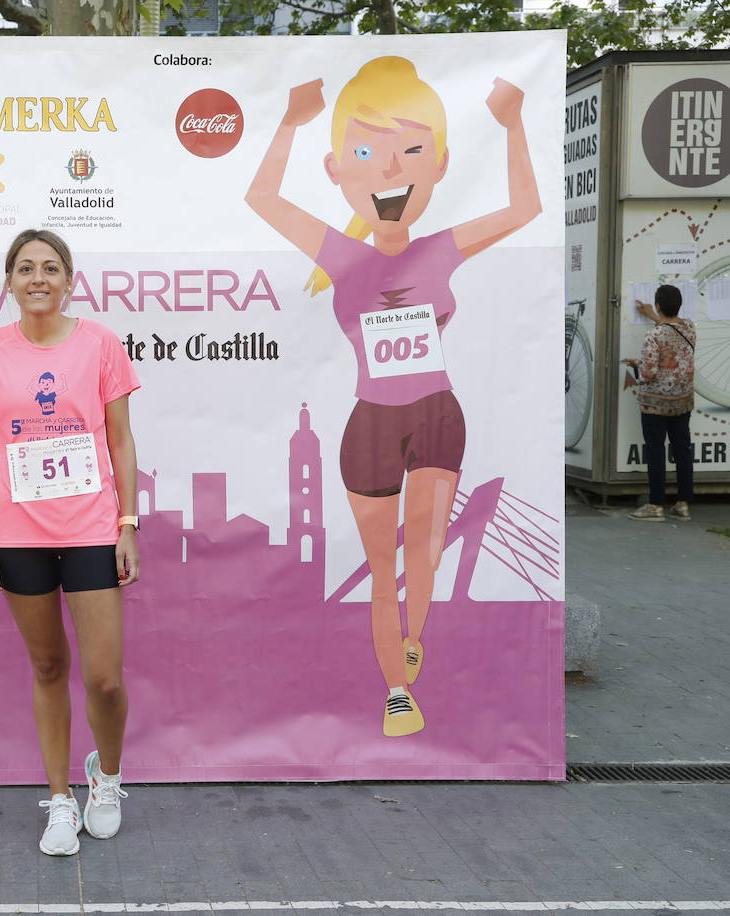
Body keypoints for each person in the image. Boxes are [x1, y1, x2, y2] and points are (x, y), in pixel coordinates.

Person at [244, 57, 540, 737]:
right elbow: (262, 200)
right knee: (385, 568)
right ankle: (398, 690)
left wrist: (513, 121)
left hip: (437, 417)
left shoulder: (441, 248)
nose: (388, 170)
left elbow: (525, 209)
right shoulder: (340, 256)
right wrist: (289, 121)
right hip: (372, 425)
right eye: (366, 152)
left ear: (438, 164)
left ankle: (413, 634)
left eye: (410, 151)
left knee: (426, 553)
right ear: (337, 171)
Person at [0, 228, 140, 856]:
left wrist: (127, 525)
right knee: (49, 666)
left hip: (90, 527)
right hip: (16, 535)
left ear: (68, 280)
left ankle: (105, 779)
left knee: (105, 679)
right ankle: (60, 800)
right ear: (8, 281)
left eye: (51, 268)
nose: (39, 278)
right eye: (26, 268)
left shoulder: (100, 345)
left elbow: (119, 442)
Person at [624, 285, 696, 522]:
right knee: (682, 450)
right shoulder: (690, 327)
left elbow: (648, 373)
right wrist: (653, 316)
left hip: (655, 404)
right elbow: (672, 332)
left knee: (656, 452)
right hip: (682, 400)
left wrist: (635, 363)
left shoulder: (653, 335)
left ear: (657, 305)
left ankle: (655, 505)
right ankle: (683, 504)